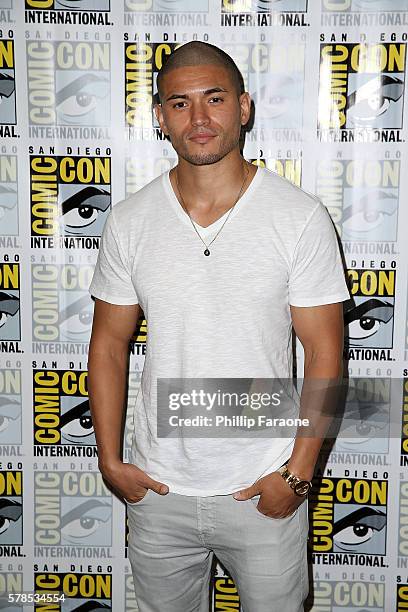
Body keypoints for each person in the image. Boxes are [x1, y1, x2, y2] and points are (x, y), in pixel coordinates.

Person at [88, 41, 350, 612]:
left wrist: (298, 476)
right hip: (157, 492)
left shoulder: (298, 218)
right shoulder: (131, 221)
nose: (199, 119)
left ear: (245, 107)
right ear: (160, 116)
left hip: (264, 488)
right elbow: (108, 345)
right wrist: (110, 460)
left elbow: (325, 356)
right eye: (179, 103)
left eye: (215, 99)